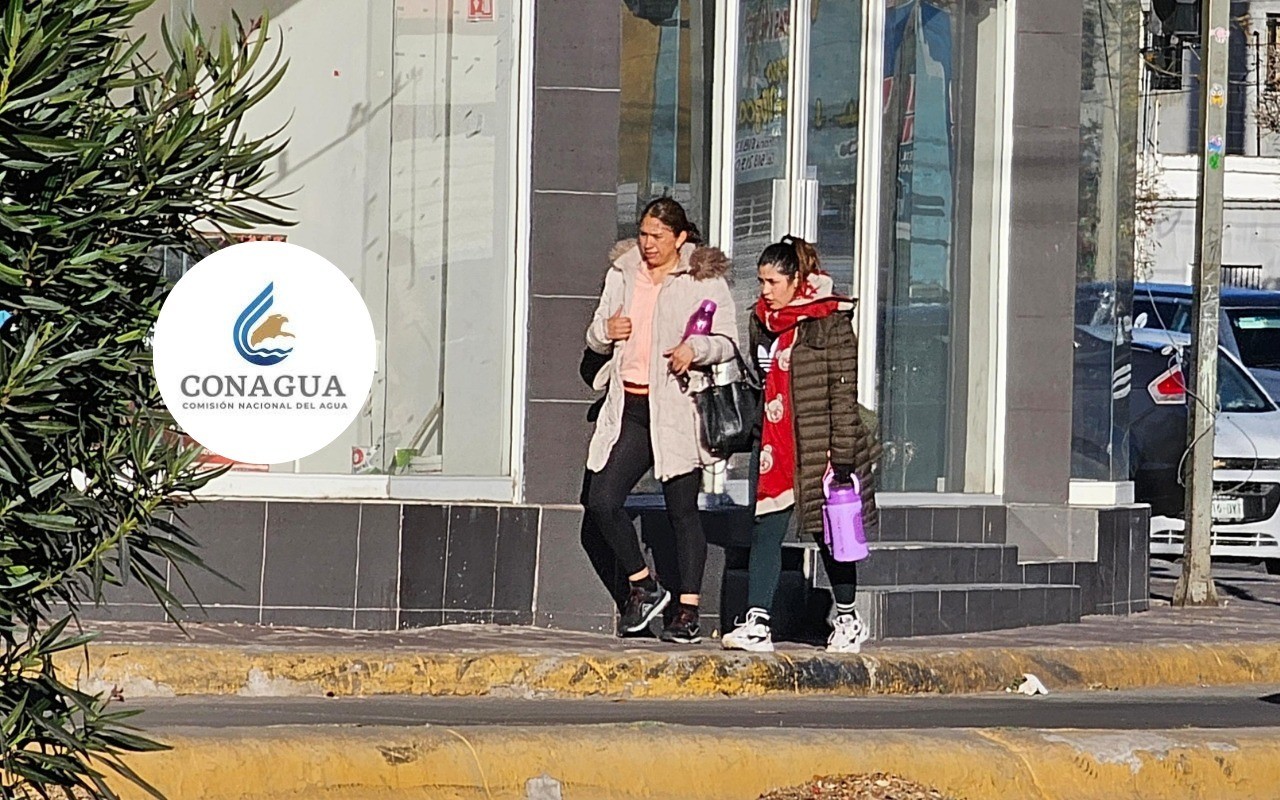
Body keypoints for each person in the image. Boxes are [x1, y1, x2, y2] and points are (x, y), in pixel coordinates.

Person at [584, 198, 738, 644]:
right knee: (602, 501)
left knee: (682, 510)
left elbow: (727, 340)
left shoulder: (701, 278)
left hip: (675, 407)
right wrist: (604, 333)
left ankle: (688, 611)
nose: (648, 244)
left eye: (658, 236)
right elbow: (595, 332)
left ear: (680, 238)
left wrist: (696, 349)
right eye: (644, 234)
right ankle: (644, 584)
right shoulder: (623, 273)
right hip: (629, 407)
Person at [721, 235, 879, 654]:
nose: (765, 291)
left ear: (796, 280)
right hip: (773, 442)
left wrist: (842, 457)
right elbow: (759, 378)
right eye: (760, 282)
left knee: (830, 534)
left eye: (772, 282)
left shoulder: (830, 321)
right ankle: (757, 621)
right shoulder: (762, 319)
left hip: (818, 443)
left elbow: (842, 394)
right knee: (766, 528)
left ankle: (846, 618)